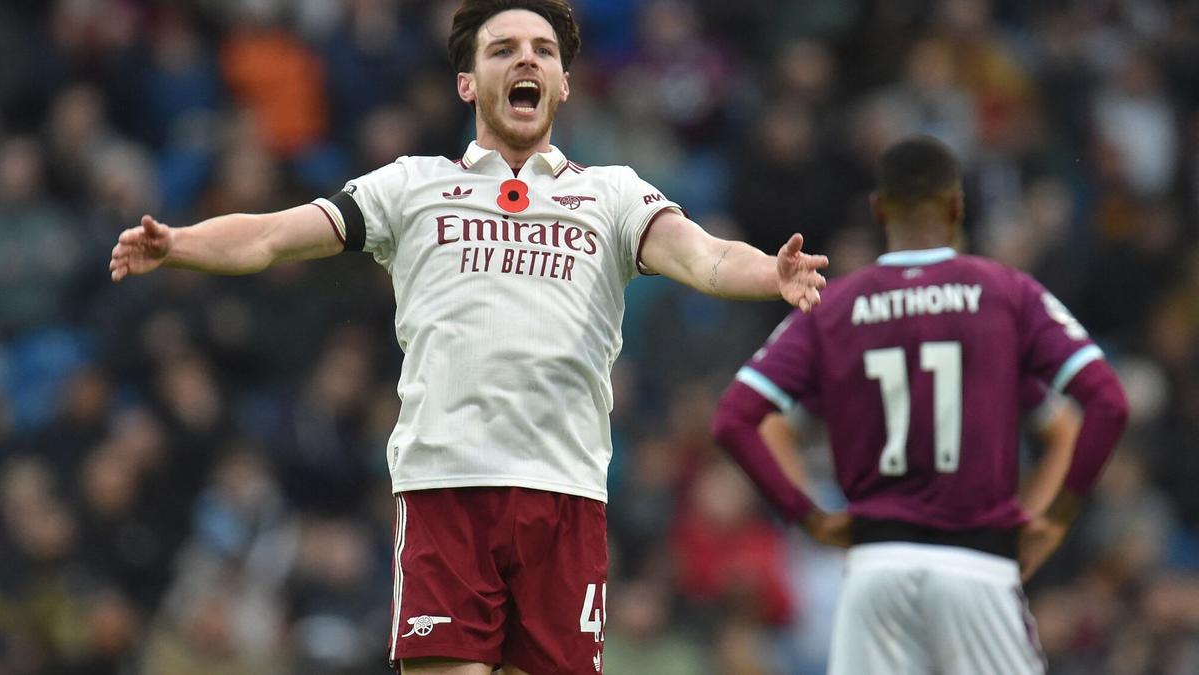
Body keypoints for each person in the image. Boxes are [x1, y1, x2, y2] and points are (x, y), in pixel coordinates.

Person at [108, 1, 829, 673]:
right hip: (446, 488)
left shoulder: (612, 194)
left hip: (565, 495)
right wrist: (179, 243)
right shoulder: (411, 186)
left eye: (544, 51)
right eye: (504, 49)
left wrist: (772, 272)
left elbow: (704, 256)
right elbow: (270, 236)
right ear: (466, 81)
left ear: (564, 85)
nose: (527, 61)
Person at [711, 134, 1128, 675]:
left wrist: (809, 517)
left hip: (876, 566)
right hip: (978, 563)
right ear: (957, 205)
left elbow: (735, 417)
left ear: (879, 209)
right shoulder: (1006, 294)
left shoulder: (836, 305)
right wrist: (1054, 518)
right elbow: (1108, 403)